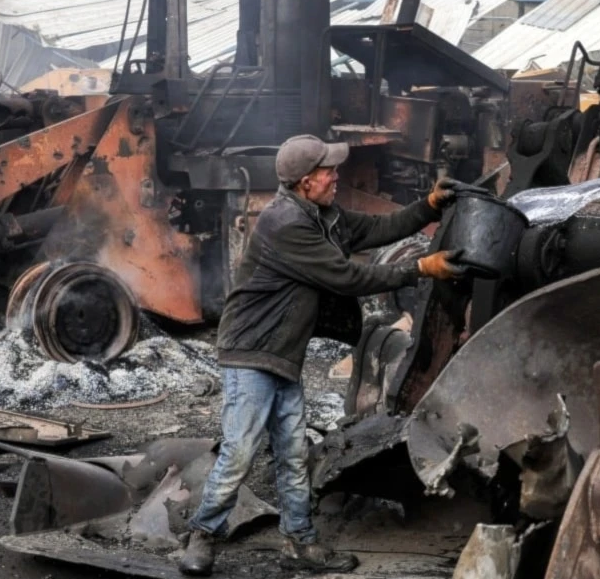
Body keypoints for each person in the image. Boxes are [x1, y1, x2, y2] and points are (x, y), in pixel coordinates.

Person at [179, 134, 466, 576]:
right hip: (252, 351)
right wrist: (418, 269)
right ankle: (203, 534)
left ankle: (300, 543)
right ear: (304, 181)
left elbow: (376, 229)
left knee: (294, 453)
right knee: (240, 450)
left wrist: (428, 206)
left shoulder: (322, 215)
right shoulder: (284, 223)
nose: (337, 176)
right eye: (328, 170)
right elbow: (345, 276)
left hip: (283, 353)